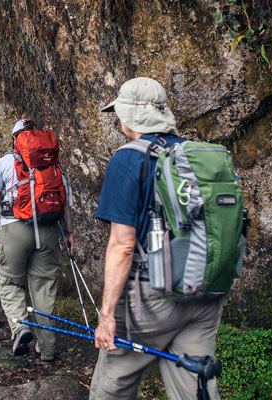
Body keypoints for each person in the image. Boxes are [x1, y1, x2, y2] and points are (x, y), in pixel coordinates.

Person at [89, 78, 223, 399]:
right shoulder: (197, 154)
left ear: (129, 115)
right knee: (195, 385)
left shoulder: (129, 158)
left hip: (153, 297)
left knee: (113, 381)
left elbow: (122, 246)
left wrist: (106, 316)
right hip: (206, 291)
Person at [0, 119, 74, 362]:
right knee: (44, 290)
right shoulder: (54, 163)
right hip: (48, 232)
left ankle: (20, 328)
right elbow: (65, 203)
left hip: (14, 228)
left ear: (14, 138)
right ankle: (47, 350)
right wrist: (69, 233)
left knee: (9, 283)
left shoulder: (5, 162)